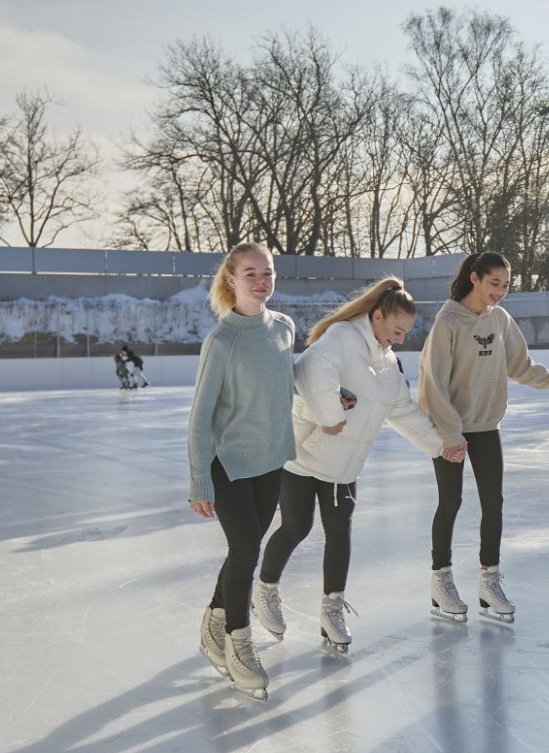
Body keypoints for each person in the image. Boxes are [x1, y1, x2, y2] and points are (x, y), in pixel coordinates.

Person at [258, 277, 465, 653]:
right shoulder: (341, 337)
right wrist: (331, 413)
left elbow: (401, 409)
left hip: (344, 468)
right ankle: (265, 590)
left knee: (340, 535)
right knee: (295, 528)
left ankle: (331, 611)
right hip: (304, 460)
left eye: (406, 333)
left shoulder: (388, 363)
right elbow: (312, 367)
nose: (400, 339)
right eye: (397, 330)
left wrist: (440, 445)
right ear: (377, 316)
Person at [186, 244, 345, 699]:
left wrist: (332, 392)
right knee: (243, 552)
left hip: (272, 459)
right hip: (230, 464)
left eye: (267, 273)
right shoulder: (222, 341)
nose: (261, 281)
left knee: (247, 548)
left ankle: (213, 624)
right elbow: (199, 417)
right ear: (231, 280)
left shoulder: (283, 327)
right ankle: (238, 643)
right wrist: (199, 478)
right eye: (250, 273)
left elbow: (286, 376)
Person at [417, 251, 549, 624]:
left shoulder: (501, 319)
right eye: (495, 284)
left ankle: (489, 581)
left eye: (506, 285)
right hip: (449, 429)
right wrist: (451, 435)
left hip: (487, 425)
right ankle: (440, 581)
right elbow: (432, 384)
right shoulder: (448, 321)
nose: (501, 292)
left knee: (494, 503)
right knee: (450, 502)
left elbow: (519, 365)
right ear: (474, 278)